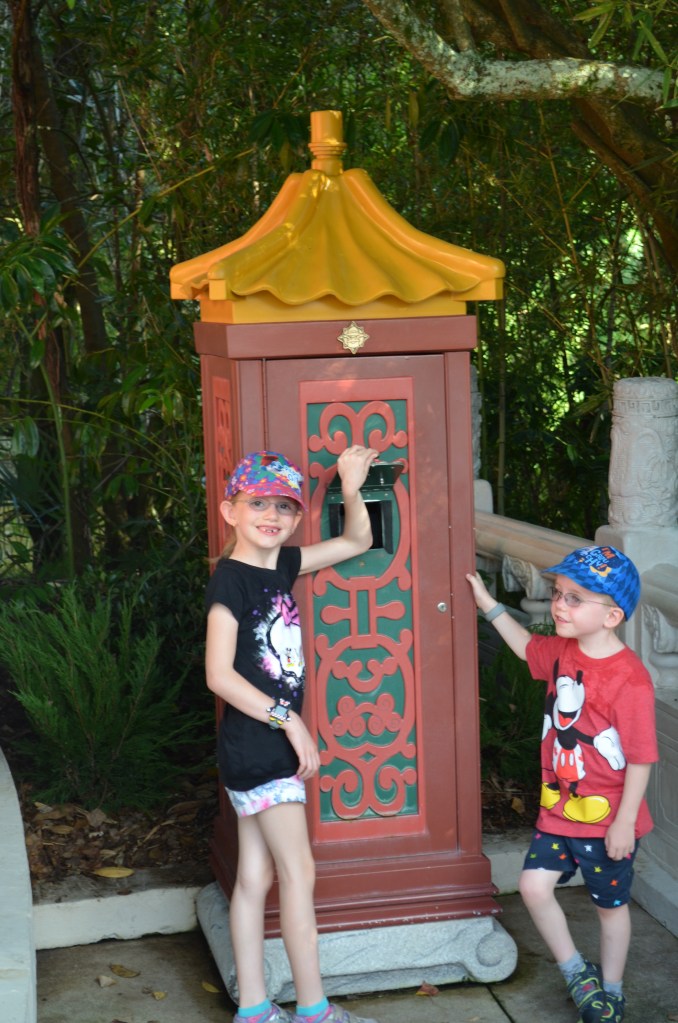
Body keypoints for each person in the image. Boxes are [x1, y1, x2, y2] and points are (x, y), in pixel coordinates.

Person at [205, 447, 380, 1023]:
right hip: (262, 747)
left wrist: (350, 487)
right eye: (258, 503)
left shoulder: (277, 565)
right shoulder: (229, 582)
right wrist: (290, 719)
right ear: (230, 510)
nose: (272, 514)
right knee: (298, 874)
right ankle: (315, 1011)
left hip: (251, 749)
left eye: (284, 505)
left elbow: (356, 542)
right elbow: (219, 675)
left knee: (255, 877)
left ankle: (254, 1009)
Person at [467, 545, 658, 1023]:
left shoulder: (630, 679)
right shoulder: (560, 653)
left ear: (612, 615)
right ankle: (577, 971)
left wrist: (624, 824)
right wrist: (487, 605)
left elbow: (640, 758)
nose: (558, 605)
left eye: (575, 598)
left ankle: (611, 989)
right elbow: (524, 645)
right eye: (557, 594)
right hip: (559, 810)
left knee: (610, 906)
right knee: (533, 887)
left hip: (607, 820)